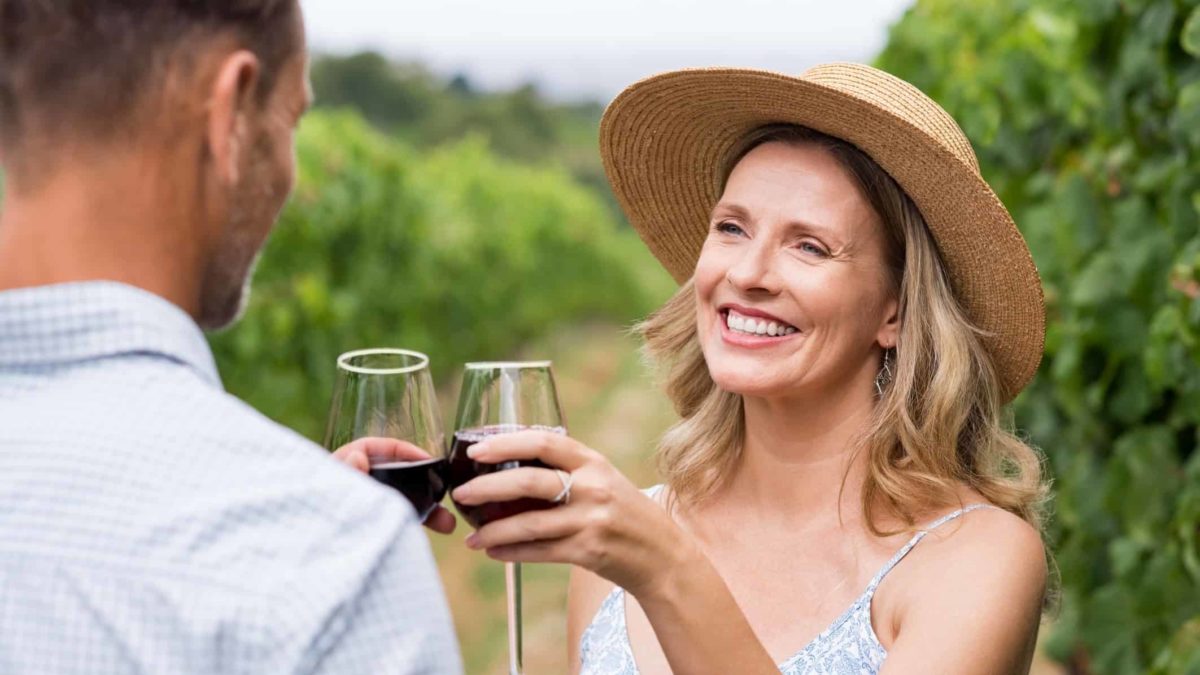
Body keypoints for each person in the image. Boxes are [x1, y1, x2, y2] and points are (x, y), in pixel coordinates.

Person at [445, 64, 1050, 674]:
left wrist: (665, 569)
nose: (747, 273)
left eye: (809, 245)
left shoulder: (974, 559)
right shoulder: (618, 554)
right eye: (732, 228)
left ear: (895, 310)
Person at [0, 2, 461, 673]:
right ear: (232, 110)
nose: (290, 168)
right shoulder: (334, 566)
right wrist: (301, 520)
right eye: (291, 119)